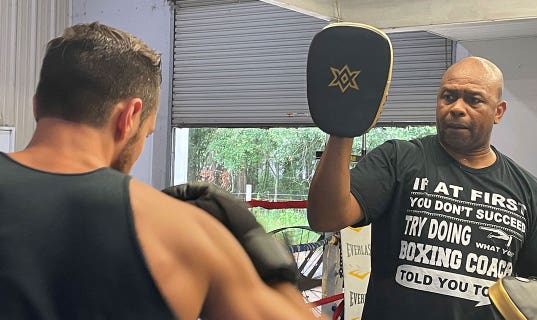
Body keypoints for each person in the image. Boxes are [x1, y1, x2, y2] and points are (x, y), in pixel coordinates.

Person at [0, 22, 319, 320]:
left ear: (37, 105)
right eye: (147, 133)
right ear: (129, 117)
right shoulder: (180, 231)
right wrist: (260, 249)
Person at [307, 56, 537, 319]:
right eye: (448, 96)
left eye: (473, 100)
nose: (457, 108)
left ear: (498, 111)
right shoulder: (399, 159)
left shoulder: (529, 192)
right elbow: (326, 217)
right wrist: (342, 128)